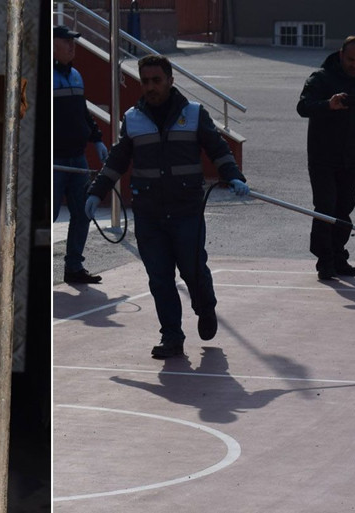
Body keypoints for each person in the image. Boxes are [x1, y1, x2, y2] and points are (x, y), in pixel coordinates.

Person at [85, 55, 250, 358]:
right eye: (145, 81)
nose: (150, 87)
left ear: (170, 81)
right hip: (149, 213)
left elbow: (218, 149)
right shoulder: (133, 118)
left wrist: (234, 177)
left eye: (156, 80)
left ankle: (205, 307)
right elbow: (118, 159)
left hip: (186, 210)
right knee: (160, 278)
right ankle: (172, 336)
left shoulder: (194, 113)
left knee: (193, 270)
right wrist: (97, 192)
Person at [296, 35, 355, 280]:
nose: (354, 65)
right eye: (350, 59)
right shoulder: (321, 78)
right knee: (326, 208)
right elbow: (303, 107)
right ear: (340, 54)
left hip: (350, 157)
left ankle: (339, 256)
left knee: (345, 208)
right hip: (322, 157)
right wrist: (328, 104)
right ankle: (324, 261)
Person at [53, 25, 109, 284]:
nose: (72, 47)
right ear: (53, 44)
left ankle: (73, 268)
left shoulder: (75, 75)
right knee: (47, 216)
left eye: (73, 43)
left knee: (82, 212)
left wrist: (96, 139)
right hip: (54, 162)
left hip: (78, 158)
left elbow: (82, 113)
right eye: (67, 42)